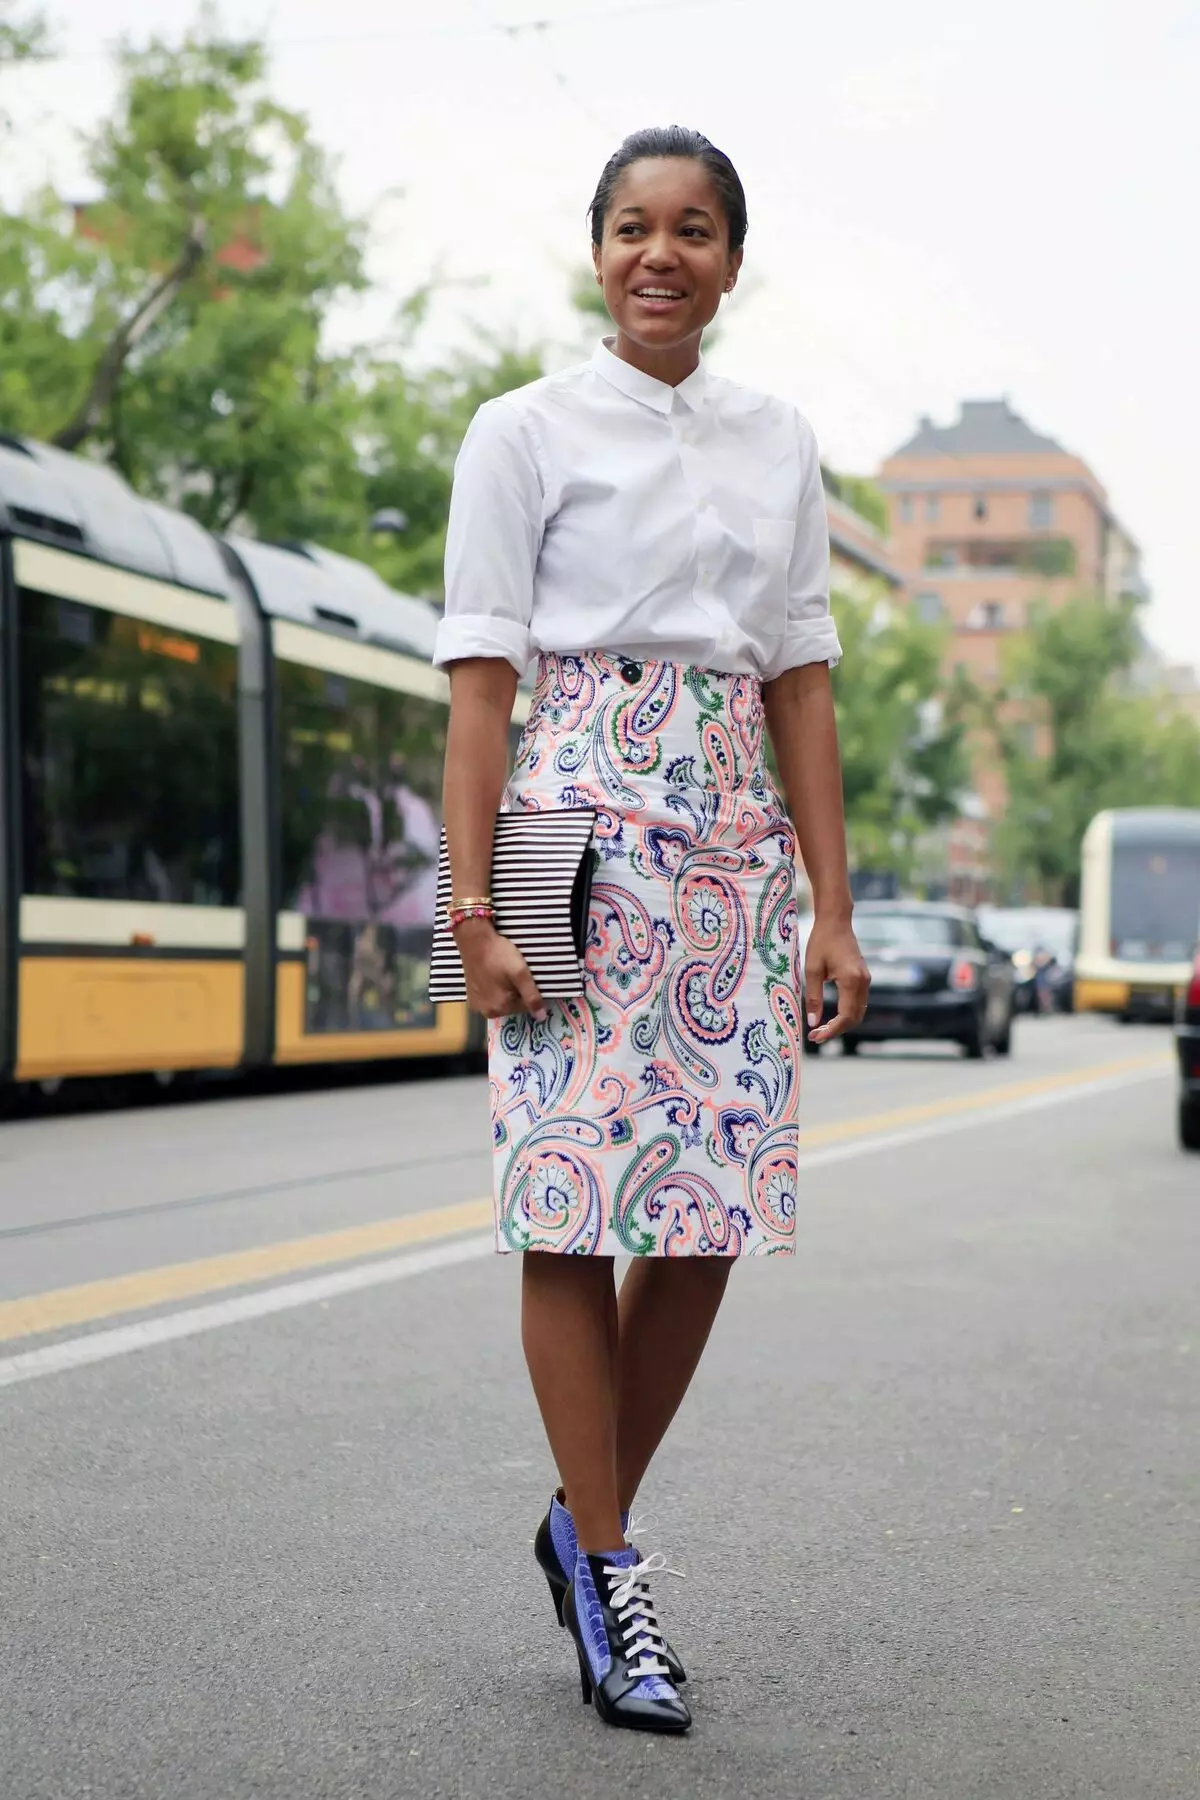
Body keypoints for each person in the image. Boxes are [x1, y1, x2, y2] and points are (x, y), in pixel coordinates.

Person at [434, 125, 868, 1735]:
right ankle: (613, 1570)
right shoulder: (521, 431)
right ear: (597, 250)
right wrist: (469, 907)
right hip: (565, 832)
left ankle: (577, 1517)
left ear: (732, 262)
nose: (659, 254)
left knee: (699, 1220)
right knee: (565, 1207)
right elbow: (481, 686)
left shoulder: (780, 440)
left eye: (693, 229)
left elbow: (801, 680)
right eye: (632, 227)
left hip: (730, 858)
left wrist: (830, 902)